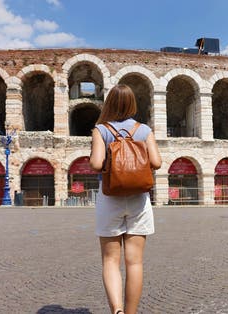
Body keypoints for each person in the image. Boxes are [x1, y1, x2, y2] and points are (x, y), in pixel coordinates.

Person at [89, 84, 161, 314]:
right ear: (132, 104)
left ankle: (117, 311)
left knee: (110, 260)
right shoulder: (144, 130)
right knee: (135, 262)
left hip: (110, 198)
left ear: (109, 103)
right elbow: (157, 163)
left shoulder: (101, 129)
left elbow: (96, 164)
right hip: (139, 199)